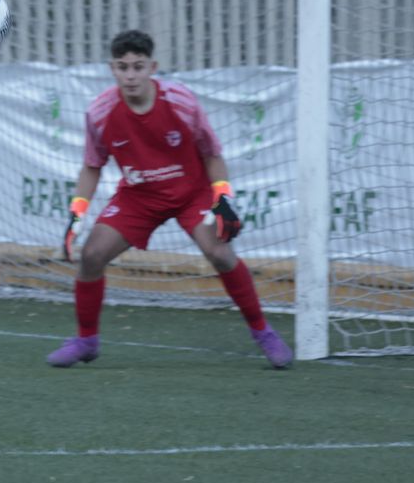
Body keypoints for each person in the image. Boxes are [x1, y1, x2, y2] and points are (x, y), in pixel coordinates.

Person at [47, 29, 293, 370]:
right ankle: (86, 341)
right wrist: (76, 216)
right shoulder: (100, 112)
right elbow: (92, 167)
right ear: (111, 69)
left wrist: (222, 198)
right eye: (122, 67)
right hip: (139, 197)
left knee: (219, 253)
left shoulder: (181, 101)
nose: (130, 75)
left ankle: (264, 333)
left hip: (191, 192)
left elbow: (212, 154)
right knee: (92, 254)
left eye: (138, 66)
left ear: (153, 67)